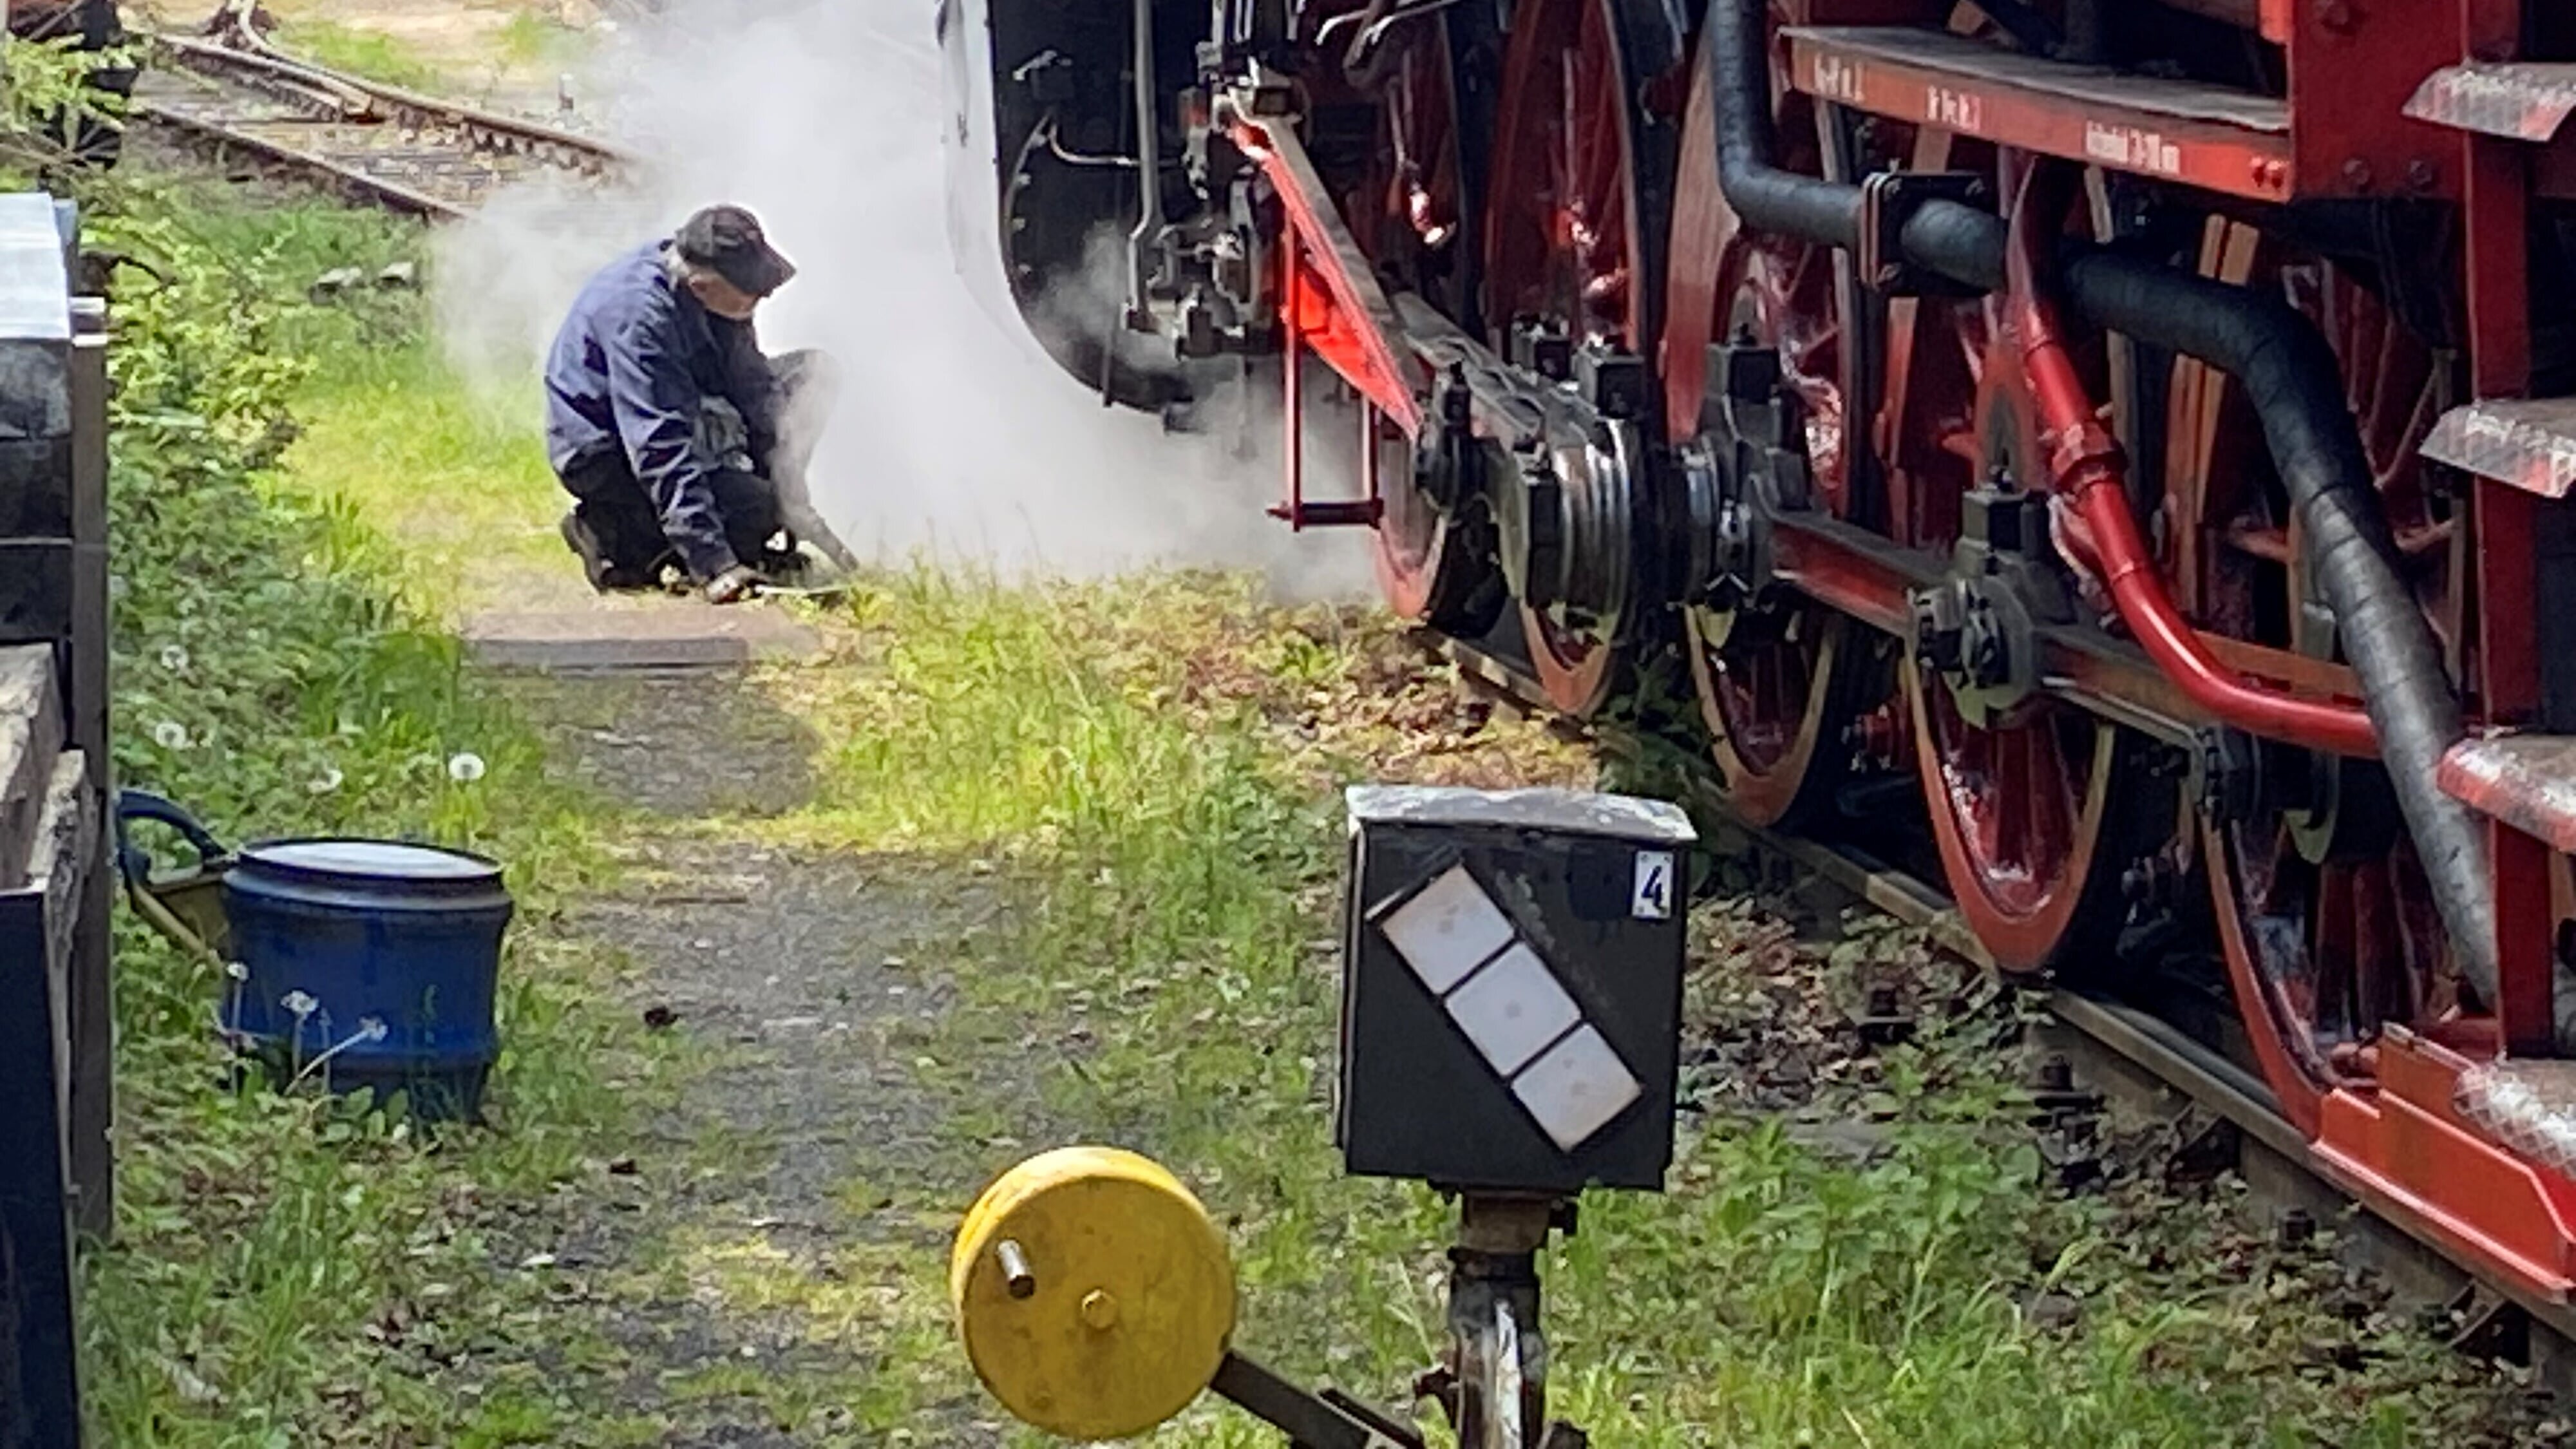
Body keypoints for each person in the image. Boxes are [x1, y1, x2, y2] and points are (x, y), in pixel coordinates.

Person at [544, 204, 856, 603]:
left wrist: (788, 486)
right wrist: (716, 565)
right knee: (755, 508)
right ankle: (613, 535)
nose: (756, 302)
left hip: (682, 406)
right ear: (702, 287)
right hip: (606, 452)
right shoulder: (638, 319)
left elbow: (753, 387)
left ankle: (743, 517)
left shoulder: (714, 292)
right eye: (748, 295)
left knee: (814, 375)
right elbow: (659, 446)